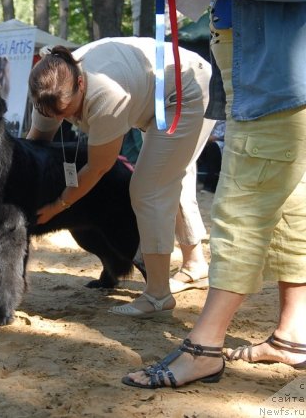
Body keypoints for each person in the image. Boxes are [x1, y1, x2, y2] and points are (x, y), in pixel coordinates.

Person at [123, 0, 306, 389]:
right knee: (292, 207)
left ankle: (204, 348)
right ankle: (293, 335)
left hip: (273, 71)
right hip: (274, 66)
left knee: (242, 208)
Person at [26, 39, 215, 318]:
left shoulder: (106, 96)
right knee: (171, 175)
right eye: (53, 115)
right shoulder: (50, 88)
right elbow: (36, 144)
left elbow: (98, 168)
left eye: (68, 112)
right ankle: (195, 263)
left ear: (81, 84)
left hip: (183, 90)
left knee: (149, 188)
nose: (65, 119)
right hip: (148, 93)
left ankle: (158, 295)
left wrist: (58, 205)